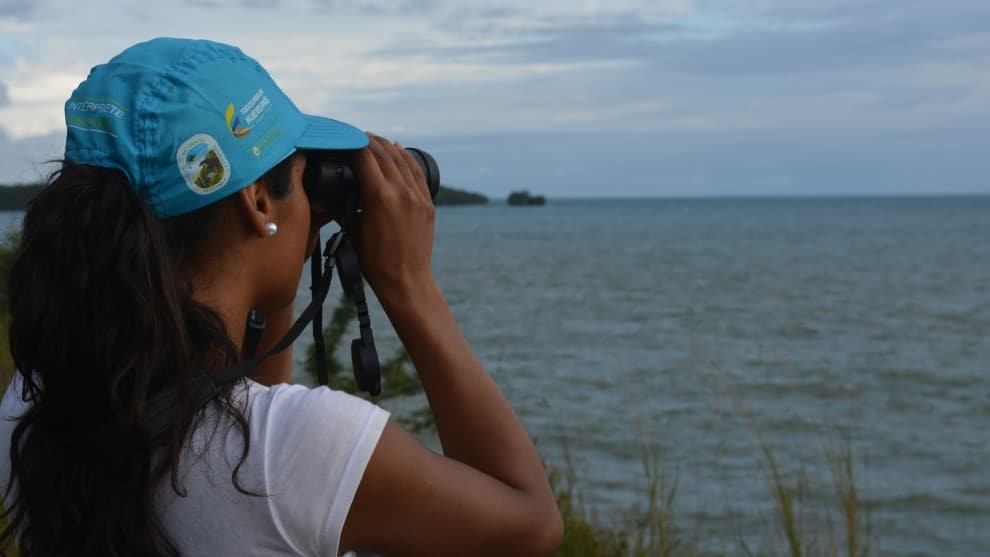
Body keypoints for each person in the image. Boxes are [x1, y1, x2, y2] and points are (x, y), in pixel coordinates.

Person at [0, 38, 562, 556]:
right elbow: (532, 525)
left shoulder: (34, 404)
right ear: (257, 202)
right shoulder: (299, 452)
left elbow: (236, 403)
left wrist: (278, 276)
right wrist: (408, 284)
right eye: (300, 173)